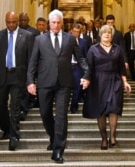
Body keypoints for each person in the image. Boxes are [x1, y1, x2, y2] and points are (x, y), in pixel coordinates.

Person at [27, 9, 90, 163]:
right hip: (45, 83)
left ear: (62, 23)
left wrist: (87, 75)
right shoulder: (39, 40)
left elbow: (80, 59)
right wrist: (30, 81)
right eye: (53, 22)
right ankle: (54, 137)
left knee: (61, 116)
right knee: (45, 113)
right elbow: (33, 62)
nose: (55, 25)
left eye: (58, 22)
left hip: (64, 83)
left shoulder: (70, 39)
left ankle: (58, 150)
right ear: (49, 23)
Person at [0, 11, 34, 150]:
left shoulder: (27, 36)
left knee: (15, 107)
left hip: (18, 76)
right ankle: (6, 129)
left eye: (14, 22)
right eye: (9, 22)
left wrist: (30, 79)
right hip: (1, 75)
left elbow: (31, 59)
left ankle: (14, 136)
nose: (11, 25)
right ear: (5, 21)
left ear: (17, 21)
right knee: (0, 103)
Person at [83, 25, 131, 150]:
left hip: (115, 81)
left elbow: (122, 68)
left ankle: (113, 136)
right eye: (104, 32)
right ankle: (104, 138)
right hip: (98, 82)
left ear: (112, 35)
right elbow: (89, 67)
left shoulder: (118, 49)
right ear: (100, 34)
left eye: (109, 32)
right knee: (101, 111)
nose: (107, 34)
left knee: (114, 108)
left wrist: (125, 82)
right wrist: (86, 80)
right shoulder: (93, 49)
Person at [19, 12, 40, 120]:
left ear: (28, 20)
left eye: (25, 20)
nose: (23, 22)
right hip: (17, 65)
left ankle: (24, 107)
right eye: (21, 20)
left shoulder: (34, 32)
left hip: (30, 64)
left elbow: (36, 49)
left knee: (27, 85)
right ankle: (21, 107)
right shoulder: (15, 31)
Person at [69, 23, 89, 113]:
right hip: (67, 67)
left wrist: (86, 70)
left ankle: (74, 106)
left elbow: (85, 56)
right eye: (74, 31)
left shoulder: (83, 42)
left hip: (78, 67)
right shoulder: (66, 41)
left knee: (77, 88)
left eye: (78, 32)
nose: (76, 33)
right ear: (71, 31)